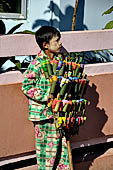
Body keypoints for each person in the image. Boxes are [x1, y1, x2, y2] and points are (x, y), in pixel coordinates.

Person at [22, 26, 70, 170]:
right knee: (46, 153)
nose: (60, 43)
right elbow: (26, 86)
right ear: (45, 45)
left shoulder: (59, 62)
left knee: (62, 151)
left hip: (58, 113)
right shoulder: (37, 64)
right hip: (43, 116)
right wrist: (45, 96)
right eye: (56, 41)